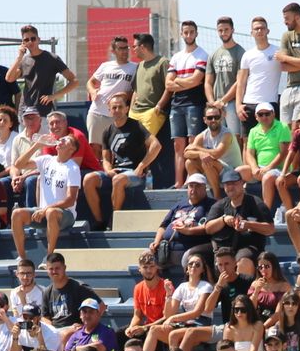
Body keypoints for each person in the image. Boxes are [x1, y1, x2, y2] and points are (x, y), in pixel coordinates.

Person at [84, 94, 161, 231]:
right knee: (89, 179)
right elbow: (106, 158)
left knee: (118, 180)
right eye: (114, 107)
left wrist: (141, 166)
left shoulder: (136, 126)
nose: (117, 110)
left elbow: (156, 146)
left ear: (126, 109)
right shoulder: (107, 131)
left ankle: (114, 221)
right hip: (116, 173)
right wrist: (108, 170)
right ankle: (100, 221)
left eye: (120, 107)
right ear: (109, 110)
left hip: (135, 175)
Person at [10, 133, 80, 258]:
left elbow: (70, 200)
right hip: (43, 212)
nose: (61, 140)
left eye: (66, 140)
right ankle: (22, 258)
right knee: (17, 214)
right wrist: (37, 145)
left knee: (51, 212)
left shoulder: (73, 168)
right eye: (61, 138)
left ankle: (49, 257)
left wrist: (46, 209)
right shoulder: (46, 159)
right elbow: (19, 165)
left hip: (65, 214)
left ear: (72, 149)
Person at [166, 22, 210, 177]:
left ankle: (193, 179)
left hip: (194, 103)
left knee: (193, 143)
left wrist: (178, 81)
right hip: (176, 104)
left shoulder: (202, 54)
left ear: (196, 33)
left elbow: (197, 80)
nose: (189, 35)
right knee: (178, 145)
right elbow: (168, 84)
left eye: (192, 32)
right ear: (181, 34)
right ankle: (179, 182)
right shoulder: (176, 57)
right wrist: (187, 82)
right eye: (186, 32)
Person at [7, 25, 78, 111]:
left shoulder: (52, 58)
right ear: (23, 43)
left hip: (44, 110)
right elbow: (9, 78)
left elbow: (74, 81)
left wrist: (54, 96)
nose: (30, 42)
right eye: (26, 40)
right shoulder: (23, 60)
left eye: (33, 39)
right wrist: (19, 57)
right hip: (25, 109)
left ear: (38, 39)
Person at [231, 18, 283, 130]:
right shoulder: (247, 55)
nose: (259, 31)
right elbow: (241, 82)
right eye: (256, 28)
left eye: (262, 28)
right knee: (248, 142)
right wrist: (238, 105)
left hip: (270, 102)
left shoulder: (278, 51)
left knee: (271, 141)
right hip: (249, 103)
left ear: (267, 31)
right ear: (252, 33)